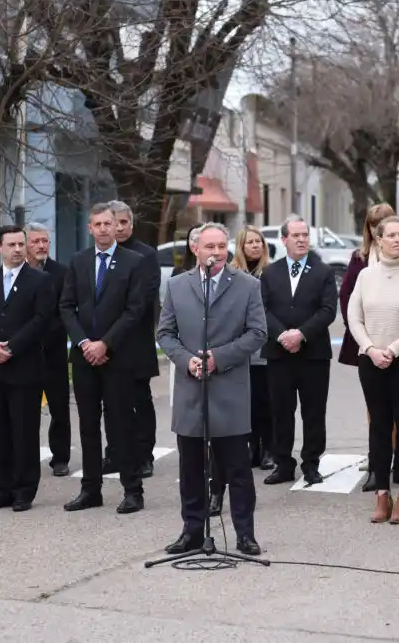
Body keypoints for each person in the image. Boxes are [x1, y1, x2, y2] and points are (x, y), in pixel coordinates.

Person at [157, 222, 267, 555]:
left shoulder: (246, 286)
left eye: (221, 246)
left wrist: (218, 358)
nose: (217, 253)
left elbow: (257, 333)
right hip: (192, 390)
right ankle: (192, 530)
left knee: (237, 469)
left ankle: (245, 533)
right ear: (196, 249)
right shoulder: (177, 286)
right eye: (210, 247)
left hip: (230, 390)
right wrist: (186, 360)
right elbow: (165, 334)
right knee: (190, 468)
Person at [60, 203, 148, 514]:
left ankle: (132, 490)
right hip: (84, 357)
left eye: (108, 223)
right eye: (97, 224)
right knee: (87, 425)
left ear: (116, 226)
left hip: (118, 357)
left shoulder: (133, 263)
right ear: (90, 228)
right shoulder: (78, 261)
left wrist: (105, 344)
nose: (103, 229)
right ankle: (91, 489)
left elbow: (135, 310)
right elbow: (67, 306)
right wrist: (84, 342)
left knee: (122, 424)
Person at [347, 216, 399, 523]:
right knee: (379, 427)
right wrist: (370, 349)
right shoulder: (366, 276)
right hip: (370, 360)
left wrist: (393, 350)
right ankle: (381, 493)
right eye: (392, 235)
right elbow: (354, 316)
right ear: (379, 239)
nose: (398, 240)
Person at [0, 226, 55, 511]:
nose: (18, 249)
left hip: (24, 369)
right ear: (0, 247)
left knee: (24, 432)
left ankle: (24, 491)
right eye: (12, 245)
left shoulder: (40, 281)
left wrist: (11, 348)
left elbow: (41, 320)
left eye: (21, 244)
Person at [260, 215, 338, 485]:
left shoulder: (323, 272)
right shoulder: (270, 272)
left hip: (313, 354)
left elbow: (328, 310)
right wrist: (281, 334)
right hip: (279, 353)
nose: (302, 239)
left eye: (305, 235)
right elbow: (262, 308)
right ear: (284, 240)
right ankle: (283, 463)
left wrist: (301, 334)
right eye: (296, 235)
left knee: (313, 412)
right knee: (281, 411)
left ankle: (311, 463)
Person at [337, 202, 396, 492]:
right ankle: (378, 458)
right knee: (375, 406)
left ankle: (397, 456)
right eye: (373, 225)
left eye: (382, 223)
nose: (377, 230)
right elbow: (347, 298)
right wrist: (363, 337)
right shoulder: (359, 258)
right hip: (367, 343)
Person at [108, 200, 161, 478]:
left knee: (140, 400)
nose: (118, 228)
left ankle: (144, 455)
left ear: (131, 223)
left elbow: (144, 299)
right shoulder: (102, 254)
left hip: (136, 341)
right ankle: (115, 452)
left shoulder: (146, 255)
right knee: (112, 402)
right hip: (107, 343)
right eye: (112, 222)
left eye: (123, 222)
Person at [24, 223, 72, 476]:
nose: (42, 246)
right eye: (36, 241)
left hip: (52, 352)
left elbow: (65, 310)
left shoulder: (61, 273)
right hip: (23, 354)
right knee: (25, 409)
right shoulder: (16, 273)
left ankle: (60, 457)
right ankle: (26, 457)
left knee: (59, 407)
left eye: (45, 241)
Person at [229, 226, 273, 470]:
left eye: (259, 242)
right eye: (250, 242)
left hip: (266, 349)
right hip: (242, 350)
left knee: (266, 403)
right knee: (246, 404)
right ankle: (251, 448)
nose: (256, 246)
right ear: (241, 247)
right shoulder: (233, 274)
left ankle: (269, 449)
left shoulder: (271, 272)